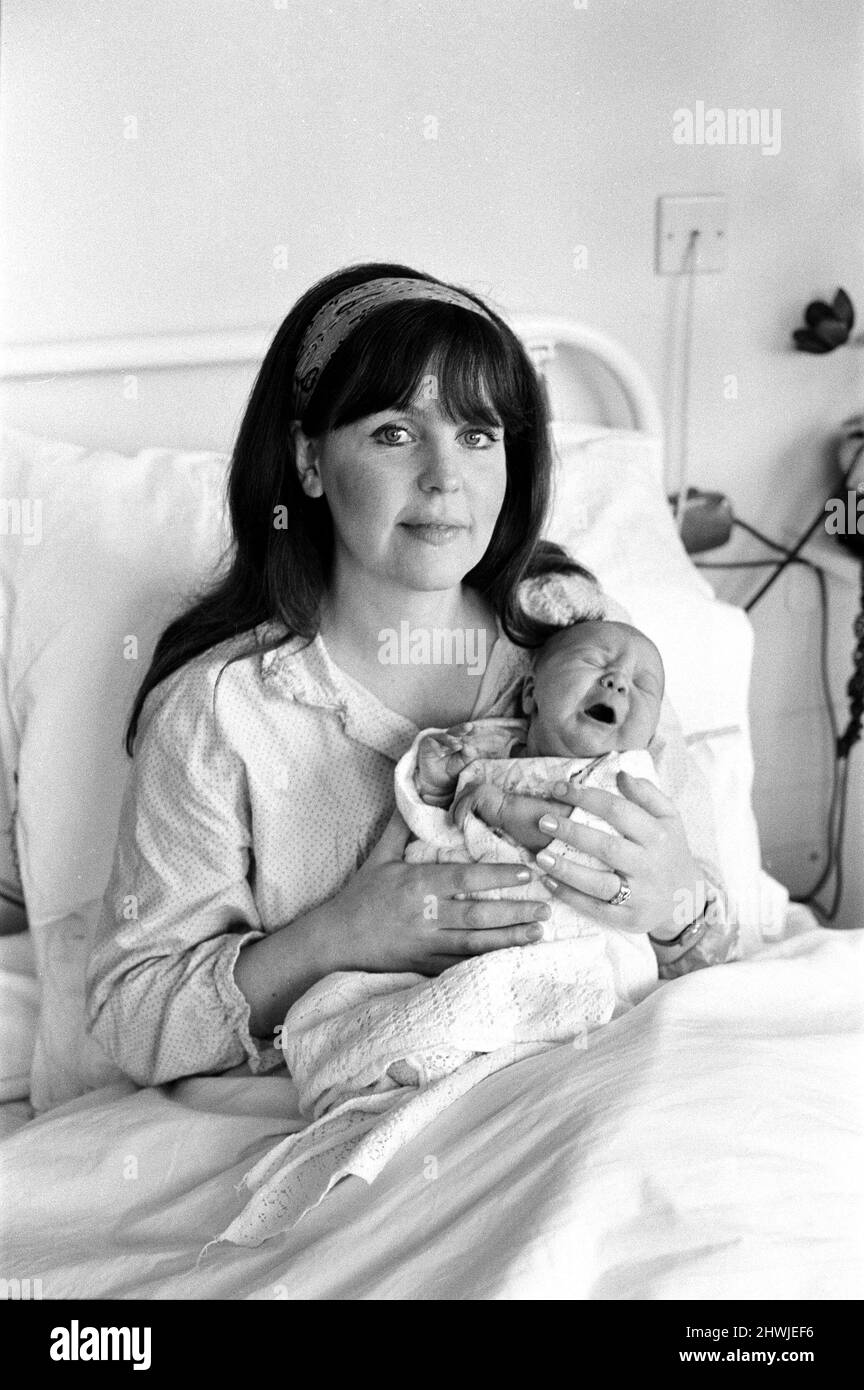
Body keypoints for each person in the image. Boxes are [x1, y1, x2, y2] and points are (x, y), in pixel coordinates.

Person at [85, 262, 737, 1090]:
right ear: (309, 462)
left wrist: (676, 905)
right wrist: (341, 935)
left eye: (478, 435)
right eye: (395, 433)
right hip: (389, 1125)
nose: (445, 477)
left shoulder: (580, 639)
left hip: (607, 1088)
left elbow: (722, 935)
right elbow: (134, 1018)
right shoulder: (225, 711)